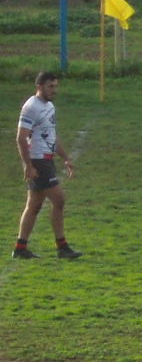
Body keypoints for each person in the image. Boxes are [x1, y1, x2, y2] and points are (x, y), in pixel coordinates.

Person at [15, 70, 80, 261]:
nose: (54, 90)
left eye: (55, 86)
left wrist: (65, 158)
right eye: (50, 86)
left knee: (34, 205)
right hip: (38, 161)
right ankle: (62, 246)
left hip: (46, 160)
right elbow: (20, 138)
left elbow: (51, 136)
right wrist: (28, 165)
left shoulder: (49, 106)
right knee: (59, 200)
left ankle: (20, 247)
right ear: (39, 86)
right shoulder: (31, 107)